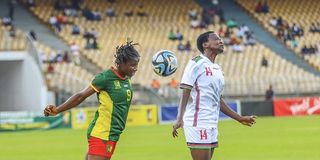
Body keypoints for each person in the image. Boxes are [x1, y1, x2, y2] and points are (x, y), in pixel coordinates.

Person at [43, 41, 140, 160]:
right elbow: (81, 96)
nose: (135, 68)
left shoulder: (127, 78)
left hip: (112, 134)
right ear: (121, 63)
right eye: (132, 65)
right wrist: (57, 110)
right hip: (102, 133)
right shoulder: (105, 78)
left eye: (137, 65)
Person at [172, 31, 257, 160]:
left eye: (221, 39)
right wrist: (179, 117)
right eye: (216, 39)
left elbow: (218, 100)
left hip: (211, 122)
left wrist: (239, 118)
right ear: (205, 44)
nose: (221, 41)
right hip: (198, 121)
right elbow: (186, 91)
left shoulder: (217, 69)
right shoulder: (196, 63)